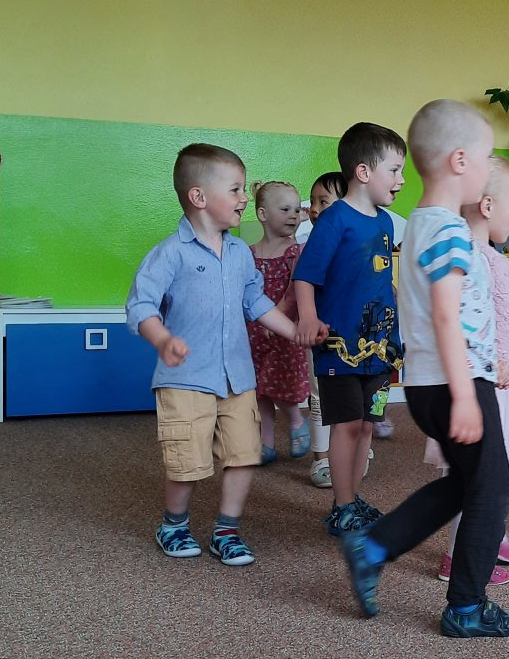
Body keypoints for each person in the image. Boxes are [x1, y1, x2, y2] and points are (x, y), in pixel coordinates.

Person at [339, 99, 509, 638]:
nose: (488, 168)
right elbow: (447, 314)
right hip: (456, 381)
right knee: (494, 488)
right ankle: (466, 606)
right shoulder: (446, 230)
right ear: (460, 161)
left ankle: (374, 546)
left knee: (467, 482)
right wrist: (467, 395)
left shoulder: (422, 224)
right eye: (486, 157)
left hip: (429, 383)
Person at [127, 143, 306, 565]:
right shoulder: (170, 253)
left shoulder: (241, 253)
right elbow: (140, 306)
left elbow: (255, 302)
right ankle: (173, 525)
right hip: (186, 379)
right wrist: (162, 340)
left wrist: (295, 332)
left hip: (237, 377)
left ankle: (227, 530)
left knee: (244, 454)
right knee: (186, 460)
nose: (245, 197)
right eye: (236, 189)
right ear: (199, 197)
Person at [422, 157, 509, 584]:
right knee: (481, 476)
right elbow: (466, 322)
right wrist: (498, 361)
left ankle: (492, 534)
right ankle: (458, 555)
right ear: (486, 206)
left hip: (505, 378)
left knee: (498, 471)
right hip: (490, 383)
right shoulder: (475, 258)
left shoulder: (487, 255)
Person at [293, 125, 405, 535]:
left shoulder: (386, 223)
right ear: (363, 171)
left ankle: (353, 499)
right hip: (339, 346)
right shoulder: (335, 219)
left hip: (381, 346)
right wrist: (308, 317)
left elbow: (380, 278)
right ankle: (342, 506)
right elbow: (306, 275)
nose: (401, 180)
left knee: (367, 424)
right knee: (347, 424)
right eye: (394, 170)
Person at [246, 180, 311, 465]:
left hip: (284, 330)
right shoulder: (248, 253)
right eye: (285, 209)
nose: (293, 215)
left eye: (296, 210)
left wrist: (279, 320)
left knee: (280, 383)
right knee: (259, 388)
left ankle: (296, 420)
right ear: (263, 214)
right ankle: (266, 443)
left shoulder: (296, 252)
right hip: (252, 331)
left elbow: (295, 291)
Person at [297, 171, 346, 488]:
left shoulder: (356, 240)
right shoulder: (313, 244)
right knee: (319, 393)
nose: (314, 209)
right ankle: (321, 457)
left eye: (323, 201)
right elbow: (303, 285)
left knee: (350, 395)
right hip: (321, 332)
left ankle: (348, 447)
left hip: (353, 334)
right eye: (313, 201)